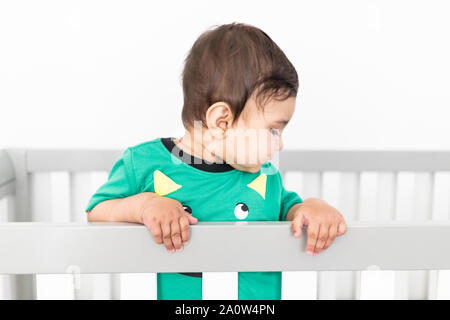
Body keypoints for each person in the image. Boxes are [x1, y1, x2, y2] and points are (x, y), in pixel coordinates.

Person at [86, 22, 347, 300]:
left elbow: (293, 212)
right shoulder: (144, 163)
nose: (279, 144)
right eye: (273, 130)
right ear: (221, 121)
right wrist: (145, 205)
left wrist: (313, 208)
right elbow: (97, 211)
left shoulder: (266, 177)